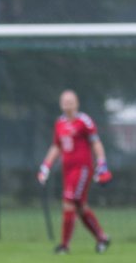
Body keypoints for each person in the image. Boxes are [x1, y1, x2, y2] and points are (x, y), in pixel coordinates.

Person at [37, 89, 112, 253]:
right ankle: (102, 238)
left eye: (70, 102)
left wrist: (102, 163)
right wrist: (45, 166)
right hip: (68, 170)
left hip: (83, 169)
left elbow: (96, 143)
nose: (67, 105)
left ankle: (64, 245)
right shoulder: (60, 123)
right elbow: (56, 146)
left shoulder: (84, 121)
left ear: (77, 103)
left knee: (69, 202)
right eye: (64, 102)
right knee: (79, 206)